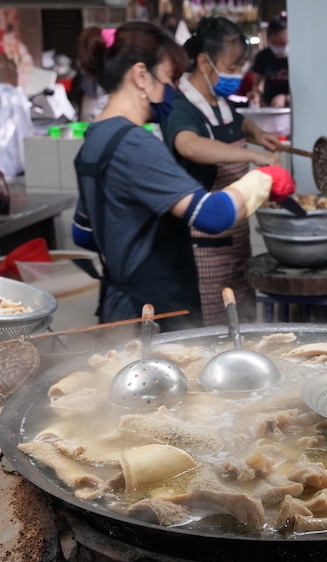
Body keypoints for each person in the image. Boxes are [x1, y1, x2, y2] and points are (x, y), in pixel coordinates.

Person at [72, 22, 294, 329]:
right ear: (140, 76)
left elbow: (83, 233)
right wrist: (266, 178)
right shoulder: (135, 144)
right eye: (170, 78)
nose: (174, 90)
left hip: (117, 306)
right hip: (155, 314)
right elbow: (212, 215)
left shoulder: (95, 139)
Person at [162, 16, 282, 325]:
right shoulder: (181, 106)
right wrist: (253, 157)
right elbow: (190, 146)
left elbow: (239, 122)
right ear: (204, 62)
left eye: (240, 66)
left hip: (236, 234)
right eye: (231, 68)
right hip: (204, 242)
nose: (236, 74)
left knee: (240, 317)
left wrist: (258, 134)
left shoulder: (220, 101)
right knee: (215, 325)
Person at [251, 16, 289, 108]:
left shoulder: (298, 58)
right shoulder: (263, 57)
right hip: (269, 106)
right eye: (274, 43)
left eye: (282, 43)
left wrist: (285, 98)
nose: (278, 47)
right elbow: (257, 85)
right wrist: (256, 94)